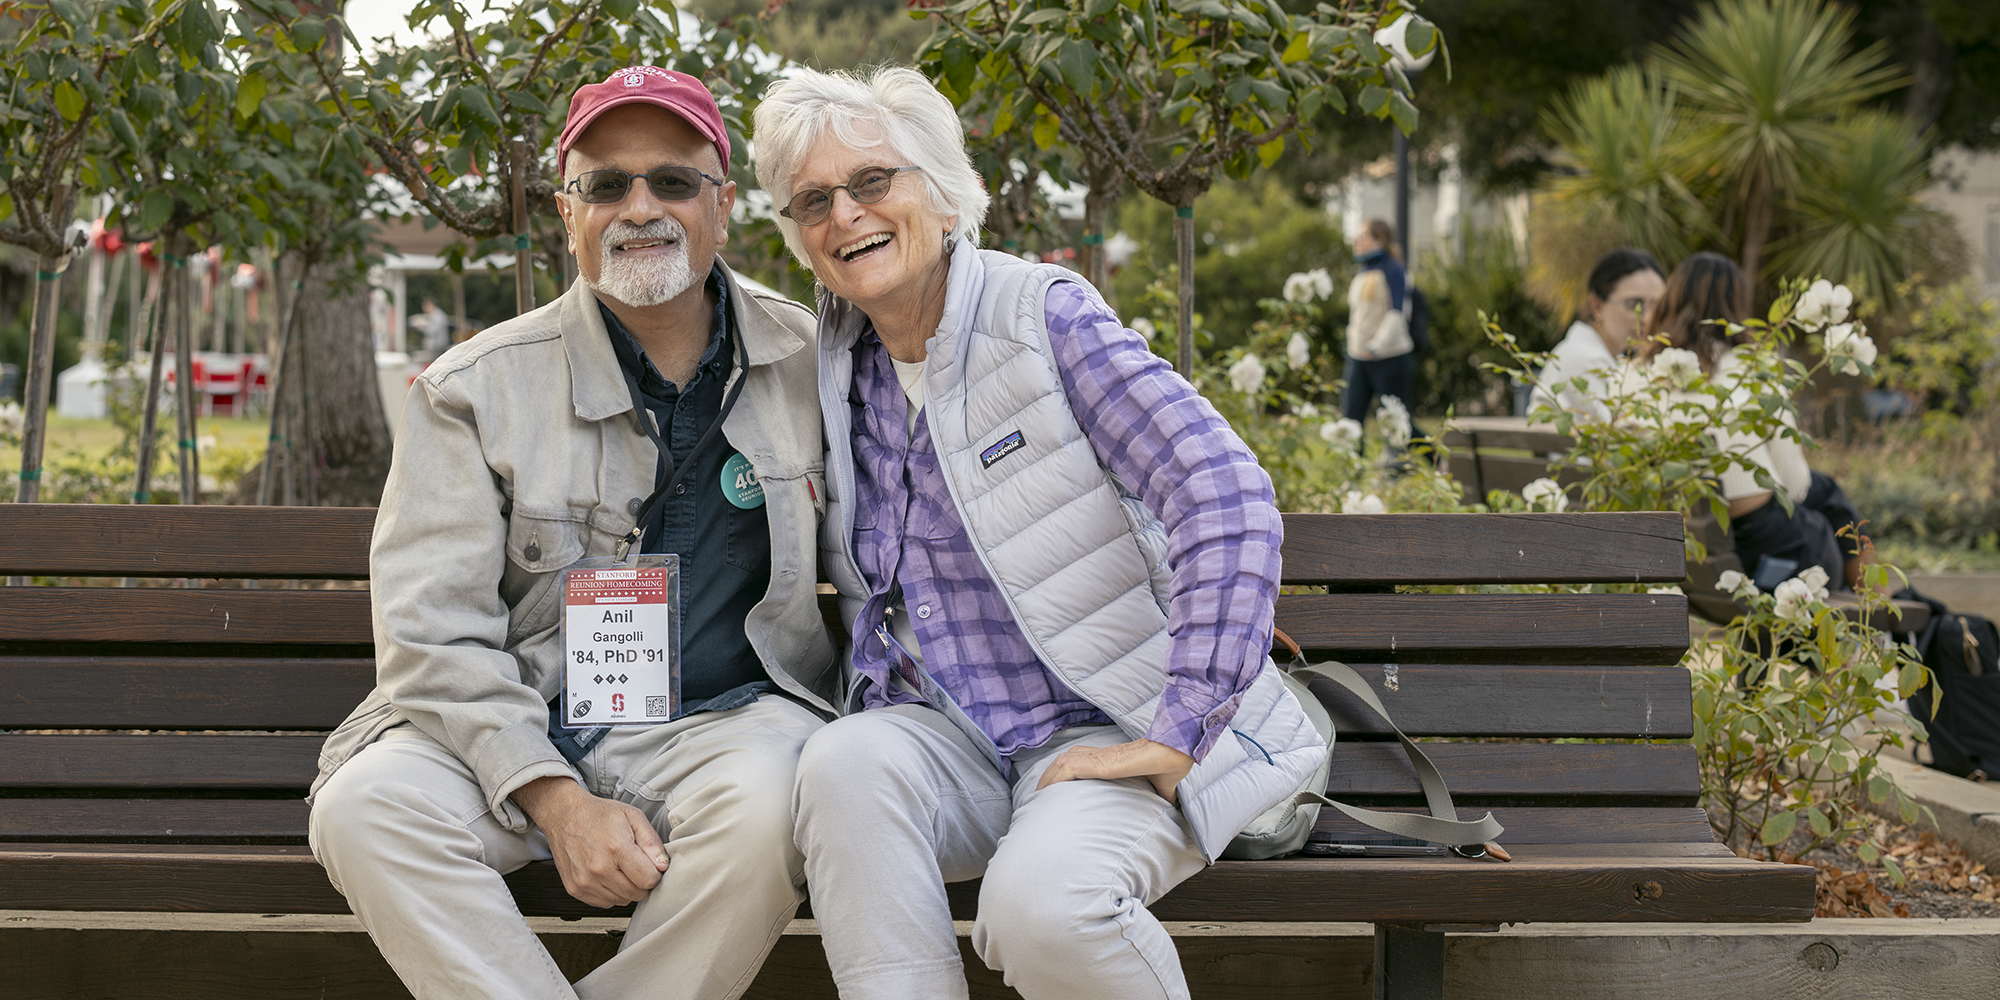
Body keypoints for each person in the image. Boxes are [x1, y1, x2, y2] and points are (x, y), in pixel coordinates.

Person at [751, 67, 1323, 1000]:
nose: (845, 215)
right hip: (953, 736)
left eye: (871, 182)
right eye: (813, 200)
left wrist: (1180, 728)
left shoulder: (1040, 317)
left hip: (1106, 725)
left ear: (939, 192)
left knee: (1043, 910)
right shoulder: (836, 358)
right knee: (844, 763)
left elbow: (1223, 492)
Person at [307, 67, 836, 1000]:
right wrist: (552, 799)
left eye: (673, 181)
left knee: (775, 810)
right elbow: (430, 636)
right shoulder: (473, 390)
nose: (642, 207)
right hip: (514, 721)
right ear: (568, 212)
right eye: (606, 184)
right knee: (364, 809)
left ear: (722, 209)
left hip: (723, 726)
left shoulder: (818, 363)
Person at [1636, 251, 1869, 591]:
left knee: (1827, 497)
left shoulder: (1636, 375)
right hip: (1765, 545)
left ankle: (1887, 600)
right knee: (1823, 506)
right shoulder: (1750, 367)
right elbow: (1793, 485)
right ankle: (1881, 602)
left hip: (1680, 545)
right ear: (1736, 306)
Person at [1529, 247, 1666, 422]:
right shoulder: (1582, 358)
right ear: (1596, 306)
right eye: (1633, 304)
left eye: (1657, 306)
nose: (1647, 318)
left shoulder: (1601, 356)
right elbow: (1618, 438)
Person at [1341, 218, 1415, 425]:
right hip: (1358, 355)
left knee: (1396, 421)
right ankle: (1353, 459)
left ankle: (1432, 455)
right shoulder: (1363, 273)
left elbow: (1397, 314)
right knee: (1351, 419)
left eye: (1363, 236)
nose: (1357, 241)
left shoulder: (1394, 270)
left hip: (1389, 356)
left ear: (1380, 240)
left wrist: (1376, 346)